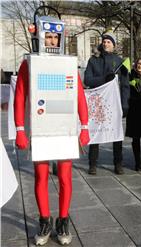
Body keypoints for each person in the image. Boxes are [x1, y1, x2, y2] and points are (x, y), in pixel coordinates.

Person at [14, 10, 90, 245]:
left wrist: (85, 126)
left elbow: (79, 96)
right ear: (41, 36)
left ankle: (63, 220)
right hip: (41, 127)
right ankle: (45, 220)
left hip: (64, 129)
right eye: (48, 37)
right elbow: (20, 96)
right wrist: (19, 129)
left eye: (56, 38)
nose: (52, 41)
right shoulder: (29, 63)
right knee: (41, 176)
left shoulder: (68, 63)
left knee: (66, 177)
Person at [84, 31, 130, 175]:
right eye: (104, 41)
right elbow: (87, 80)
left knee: (116, 134)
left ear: (114, 45)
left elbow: (125, 86)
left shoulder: (120, 62)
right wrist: (104, 78)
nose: (105, 43)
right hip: (97, 102)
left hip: (114, 103)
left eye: (109, 41)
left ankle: (118, 164)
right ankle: (92, 164)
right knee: (95, 133)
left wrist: (125, 104)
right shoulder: (93, 60)